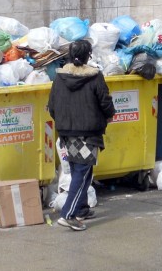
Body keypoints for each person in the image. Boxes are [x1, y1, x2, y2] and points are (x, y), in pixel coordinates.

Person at [48, 39, 115, 231]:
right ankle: (68, 215)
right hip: (87, 133)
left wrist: (63, 123)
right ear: (89, 56)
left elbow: (52, 106)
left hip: (67, 133)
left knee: (83, 170)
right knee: (82, 171)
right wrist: (109, 116)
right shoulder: (95, 77)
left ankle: (82, 208)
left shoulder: (59, 78)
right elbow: (105, 101)